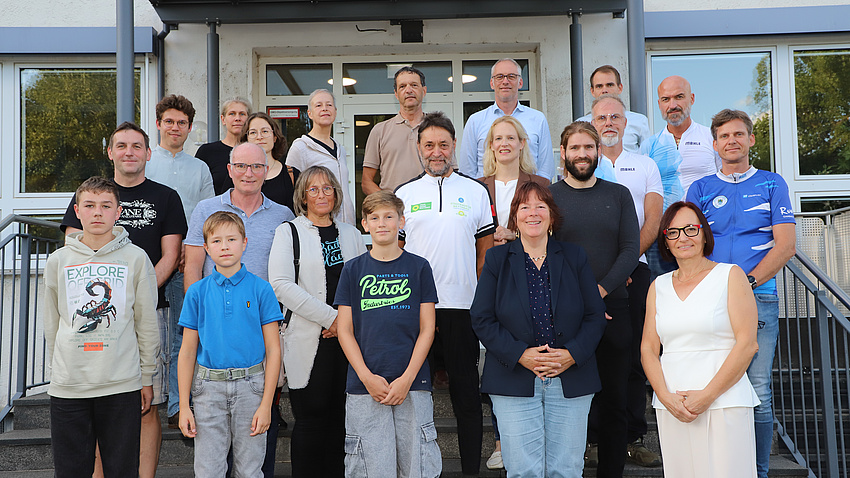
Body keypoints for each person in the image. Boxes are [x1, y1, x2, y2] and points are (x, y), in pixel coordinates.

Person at [60, 122, 186, 478]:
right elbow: (74, 250)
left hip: (151, 313)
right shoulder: (89, 195)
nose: (129, 152)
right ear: (111, 152)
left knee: (147, 406)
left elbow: (171, 254)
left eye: (136, 146)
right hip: (95, 321)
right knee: (100, 405)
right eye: (121, 146)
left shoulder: (166, 197)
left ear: (148, 153)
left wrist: (136, 298)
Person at [686, 109, 796, 478]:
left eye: (738, 134)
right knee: (710, 388)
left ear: (751, 140)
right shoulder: (699, 189)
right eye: (724, 136)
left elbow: (785, 246)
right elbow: (689, 245)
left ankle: (758, 472)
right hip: (709, 300)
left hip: (758, 297)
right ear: (714, 144)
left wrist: (745, 283)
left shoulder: (771, 183)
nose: (731, 141)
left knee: (759, 393)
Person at [470, 181, 607, 477]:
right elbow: (482, 318)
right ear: (515, 217)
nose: (533, 213)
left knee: (567, 470)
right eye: (524, 207)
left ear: (552, 216)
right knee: (523, 471)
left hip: (570, 378)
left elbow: (595, 315)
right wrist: (521, 354)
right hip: (514, 379)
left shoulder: (575, 257)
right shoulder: (496, 259)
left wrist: (571, 354)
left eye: (540, 206)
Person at [183, 141, 294, 477]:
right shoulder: (206, 208)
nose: (249, 173)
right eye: (242, 166)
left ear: (267, 171)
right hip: (213, 344)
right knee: (212, 461)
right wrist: (202, 316)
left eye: (257, 167)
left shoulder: (282, 214)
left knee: (255, 453)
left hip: (260, 339)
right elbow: (192, 265)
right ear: (229, 169)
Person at [395, 111, 496, 476]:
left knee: (466, 398)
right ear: (419, 148)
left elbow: (485, 253)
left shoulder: (475, 191)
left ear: (453, 147)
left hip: (461, 308)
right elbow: (397, 254)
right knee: (413, 397)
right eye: (429, 145)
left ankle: (470, 470)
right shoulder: (404, 194)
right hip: (414, 310)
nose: (436, 152)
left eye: (443, 144)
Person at [44, 176, 159, 478]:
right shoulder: (58, 261)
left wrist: (146, 376)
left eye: (106, 205)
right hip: (70, 386)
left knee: (122, 470)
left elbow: (146, 322)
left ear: (117, 212)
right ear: (77, 211)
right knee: (70, 471)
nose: (97, 212)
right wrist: (57, 372)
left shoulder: (136, 259)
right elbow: (51, 323)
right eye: (90, 205)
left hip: (121, 383)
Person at [641, 201, 760, 478]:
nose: (683, 237)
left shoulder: (730, 275)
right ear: (666, 242)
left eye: (691, 229)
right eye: (673, 232)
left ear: (704, 234)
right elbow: (648, 348)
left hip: (725, 400)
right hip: (674, 404)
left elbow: (747, 343)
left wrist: (707, 396)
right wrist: (665, 397)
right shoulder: (657, 287)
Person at [549, 121, 639, 478]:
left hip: (614, 306)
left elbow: (630, 249)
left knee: (615, 401)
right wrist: (581, 300)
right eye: (575, 148)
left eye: (589, 147)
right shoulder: (550, 197)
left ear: (599, 152)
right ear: (563, 153)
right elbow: (545, 252)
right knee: (569, 403)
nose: (582, 154)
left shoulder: (618, 195)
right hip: (563, 312)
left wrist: (598, 293)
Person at [268, 165, 367, 477]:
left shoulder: (351, 234)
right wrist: (332, 318)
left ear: (336, 194)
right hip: (308, 338)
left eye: (327, 188)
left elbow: (365, 284)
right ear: (303, 196)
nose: (322, 194)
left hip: (348, 340)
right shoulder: (289, 232)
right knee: (310, 420)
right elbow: (281, 284)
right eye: (313, 189)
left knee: (341, 419)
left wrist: (344, 323)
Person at [335, 190, 441, 478]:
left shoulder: (418, 267)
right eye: (374, 218)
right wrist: (366, 377)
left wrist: (407, 378)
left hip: (412, 383)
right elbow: (344, 331)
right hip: (365, 385)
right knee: (370, 468)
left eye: (388, 217)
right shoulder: (353, 270)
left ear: (401, 221)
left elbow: (427, 328)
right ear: (365, 224)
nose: (382, 223)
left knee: (416, 465)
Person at [177, 211, 282, 478]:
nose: (224, 246)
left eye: (232, 239)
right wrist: (184, 406)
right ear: (206, 247)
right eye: (217, 241)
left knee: (249, 470)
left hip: (252, 388)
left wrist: (266, 403)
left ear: (245, 243)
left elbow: (274, 349)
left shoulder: (262, 289)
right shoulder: (197, 292)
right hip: (207, 390)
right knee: (208, 470)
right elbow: (187, 352)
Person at [591, 93, 664, 467]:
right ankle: (591, 439)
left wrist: (629, 262)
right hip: (590, 275)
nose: (608, 122)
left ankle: (633, 437)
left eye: (614, 116)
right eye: (601, 116)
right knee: (588, 353)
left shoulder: (645, 164)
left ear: (625, 123)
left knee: (634, 355)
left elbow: (653, 218)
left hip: (634, 269)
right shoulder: (583, 161)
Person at [145, 94, 215, 429]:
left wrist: (194, 249)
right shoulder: (145, 162)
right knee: (149, 334)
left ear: (189, 128)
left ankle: (177, 404)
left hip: (187, 260)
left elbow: (207, 217)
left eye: (182, 123)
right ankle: (149, 396)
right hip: (148, 261)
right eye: (169, 121)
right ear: (158, 123)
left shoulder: (199, 168)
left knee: (182, 333)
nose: (176, 127)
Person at [641, 75, 720, 278]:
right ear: (659, 104)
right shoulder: (649, 146)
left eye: (679, 97)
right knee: (664, 296)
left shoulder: (711, 139)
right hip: (662, 237)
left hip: (704, 234)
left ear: (692, 99)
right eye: (666, 99)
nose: (673, 105)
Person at [460, 58, 555, 181]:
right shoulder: (475, 121)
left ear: (520, 82)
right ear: (492, 83)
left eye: (511, 76)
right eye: (499, 77)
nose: (505, 81)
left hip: (528, 195)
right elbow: (467, 172)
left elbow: (545, 169)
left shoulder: (538, 119)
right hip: (487, 196)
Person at [286, 89, 356, 225]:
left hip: (346, 226)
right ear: (310, 114)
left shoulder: (340, 148)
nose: (325, 109)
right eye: (318, 105)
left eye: (329, 105)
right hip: (318, 226)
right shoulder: (300, 147)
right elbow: (292, 193)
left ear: (335, 111)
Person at [478, 115, 550, 247]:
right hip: (489, 263)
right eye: (498, 138)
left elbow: (549, 230)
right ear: (491, 145)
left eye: (510, 138)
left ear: (521, 143)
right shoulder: (477, 187)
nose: (504, 143)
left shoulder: (541, 185)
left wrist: (515, 234)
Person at [362, 66, 428, 194]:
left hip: (429, 207)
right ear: (396, 94)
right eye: (402, 86)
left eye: (414, 85)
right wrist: (388, 203)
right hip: (392, 210)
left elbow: (450, 174)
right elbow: (366, 182)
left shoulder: (437, 128)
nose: (408, 90)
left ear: (424, 91)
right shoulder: (380, 131)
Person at [576, 65, 652, 153]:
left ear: (620, 88)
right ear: (592, 91)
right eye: (599, 86)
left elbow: (647, 156)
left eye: (609, 85)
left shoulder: (639, 120)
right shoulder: (580, 124)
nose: (604, 90)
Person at [240, 111, 299, 211]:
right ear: (247, 139)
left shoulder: (292, 174)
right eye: (253, 132)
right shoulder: (237, 173)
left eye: (265, 131)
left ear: (275, 137)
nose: (259, 137)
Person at [196, 97, 253, 195]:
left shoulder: (256, 153)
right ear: (223, 119)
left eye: (242, 114)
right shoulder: (207, 152)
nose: (237, 118)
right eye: (232, 114)